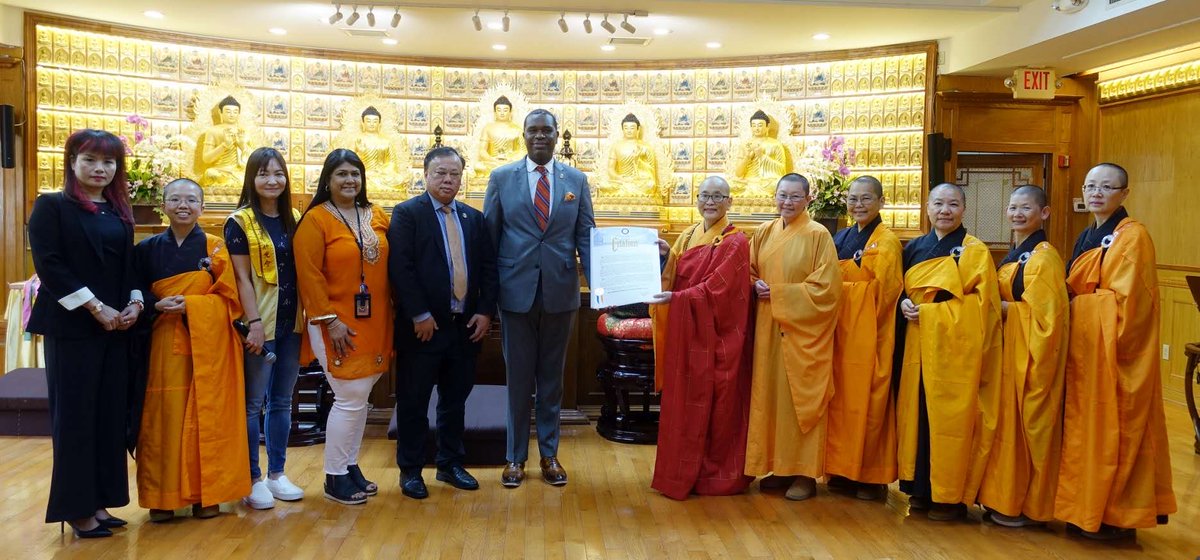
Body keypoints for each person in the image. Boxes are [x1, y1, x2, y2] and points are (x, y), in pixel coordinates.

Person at [27, 129, 144, 538]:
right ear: (72, 161)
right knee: (76, 418)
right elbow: (50, 266)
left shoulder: (118, 212)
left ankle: (99, 501)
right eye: (90, 160)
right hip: (73, 328)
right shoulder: (52, 206)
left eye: (108, 162)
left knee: (109, 416)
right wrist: (96, 307)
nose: (100, 169)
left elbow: (129, 267)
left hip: (116, 329)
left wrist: (134, 304)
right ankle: (75, 509)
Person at [1055, 163, 1176, 540]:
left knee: (1117, 434)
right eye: (1091, 186)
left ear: (1124, 194)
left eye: (1107, 187)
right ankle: (1083, 508)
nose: (1097, 193)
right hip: (1087, 352)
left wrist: (1077, 305)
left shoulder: (1133, 236)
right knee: (1084, 433)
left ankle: (1115, 517)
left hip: (1117, 355)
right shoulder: (1087, 235)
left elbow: (1130, 305)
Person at [484, 109, 595, 488]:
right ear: (524, 135)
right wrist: (487, 298)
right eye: (533, 130)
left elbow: (586, 236)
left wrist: (599, 287)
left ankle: (549, 455)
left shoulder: (576, 180)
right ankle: (515, 457)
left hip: (561, 294)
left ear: (557, 135)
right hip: (515, 294)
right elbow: (490, 239)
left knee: (552, 380)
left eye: (547, 130)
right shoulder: (501, 178)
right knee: (517, 379)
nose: (540, 136)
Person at [134, 178, 249, 522]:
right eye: (175, 199)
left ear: (202, 207)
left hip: (208, 347)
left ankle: (206, 495)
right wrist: (155, 304)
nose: (182, 205)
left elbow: (231, 299)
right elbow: (134, 291)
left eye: (190, 200)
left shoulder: (215, 248)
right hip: (162, 344)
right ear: (163, 205)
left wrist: (194, 305)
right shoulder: (146, 249)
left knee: (207, 416)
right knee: (163, 420)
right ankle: (162, 497)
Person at [388, 146, 499, 499]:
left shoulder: (473, 218)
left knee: (455, 400)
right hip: (423, 328)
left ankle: (450, 463)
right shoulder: (408, 214)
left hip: (464, 327)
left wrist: (485, 311)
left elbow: (489, 269)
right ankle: (411, 470)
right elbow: (401, 268)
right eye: (440, 173)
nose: (448, 180)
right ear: (425, 175)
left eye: (454, 174)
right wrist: (419, 314)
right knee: (414, 401)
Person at [896, 183, 1002, 522]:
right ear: (927, 207)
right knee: (918, 416)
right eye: (939, 203)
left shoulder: (974, 251)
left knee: (950, 421)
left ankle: (949, 497)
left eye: (953, 204)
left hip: (955, 352)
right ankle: (919, 489)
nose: (945, 210)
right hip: (917, 345)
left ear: (963, 209)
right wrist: (904, 304)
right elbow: (900, 289)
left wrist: (930, 314)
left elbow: (982, 307)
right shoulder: (915, 247)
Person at [294, 149, 394, 505]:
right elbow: (308, 275)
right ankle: (335, 476)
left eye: (355, 174)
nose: (350, 180)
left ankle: (350, 466)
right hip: (335, 323)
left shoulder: (375, 214)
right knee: (349, 397)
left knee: (359, 399)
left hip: (376, 321)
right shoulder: (316, 220)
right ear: (328, 179)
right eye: (342, 174)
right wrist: (329, 320)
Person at [648, 176, 753, 500]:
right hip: (687, 332)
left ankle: (711, 474)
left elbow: (718, 289)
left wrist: (678, 299)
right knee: (682, 403)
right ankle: (679, 471)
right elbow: (676, 272)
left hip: (717, 337)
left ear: (730, 202)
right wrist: (666, 255)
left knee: (716, 405)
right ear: (696, 199)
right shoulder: (689, 234)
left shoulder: (736, 241)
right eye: (705, 195)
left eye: (718, 196)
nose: (710, 202)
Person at [744, 173, 842, 501]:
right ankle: (779, 466)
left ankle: (804, 473)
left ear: (808, 199)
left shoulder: (818, 235)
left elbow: (827, 289)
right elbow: (748, 270)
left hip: (803, 333)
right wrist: (754, 283)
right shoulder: (764, 232)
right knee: (771, 399)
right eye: (782, 195)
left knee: (801, 401)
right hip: (767, 330)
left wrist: (779, 293)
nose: (787, 202)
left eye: (795, 196)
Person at [976, 185, 1068, 528]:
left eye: (1025, 208)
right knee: (1003, 430)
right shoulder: (1017, 253)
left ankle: (1030, 506)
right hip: (1009, 355)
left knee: (1029, 430)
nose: (1017, 213)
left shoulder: (1044, 257)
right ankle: (1004, 498)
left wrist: (1005, 310)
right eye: (1012, 207)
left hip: (1030, 360)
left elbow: (1047, 321)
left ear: (1044, 213)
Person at [225, 147, 305, 510]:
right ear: (251, 179)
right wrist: (254, 323)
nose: (272, 181)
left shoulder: (294, 218)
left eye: (278, 174)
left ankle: (277, 473)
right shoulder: (240, 221)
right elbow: (241, 277)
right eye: (263, 174)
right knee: (253, 403)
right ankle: (251, 477)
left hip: (292, 321)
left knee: (282, 400)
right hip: (260, 324)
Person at [824, 175, 903, 502]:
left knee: (870, 406)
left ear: (881, 202)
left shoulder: (887, 242)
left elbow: (885, 294)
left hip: (872, 335)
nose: (858, 205)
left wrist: (840, 291)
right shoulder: (841, 237)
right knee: (840, 405)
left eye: (866, 198)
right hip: (841, 335)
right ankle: (841, 470)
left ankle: (871, 477)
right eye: (853, 199)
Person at [195, 95, 253, 192]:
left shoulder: (243, 132)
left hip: (238, 172)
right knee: (210, 173)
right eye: (228, 111)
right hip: (219, 171)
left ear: (239, 114)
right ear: (220, 112)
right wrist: (224, 145)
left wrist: (243, 146)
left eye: (235, 112)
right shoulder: (212, 131)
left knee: (250, 177)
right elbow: (206, 159)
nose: (232, 114)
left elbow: (253, 161)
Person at [730, 110, 791, 197]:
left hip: (768, 182)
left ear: (767, 126)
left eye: (760, 125)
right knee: (729, 184)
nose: (757, 128)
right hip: (748, 181)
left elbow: (782, 170)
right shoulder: (745, 145)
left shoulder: (776, 144)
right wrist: (747, 158)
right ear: (751, 127)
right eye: (754, 125)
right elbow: (738, 174)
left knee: (778, 184)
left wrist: (762, 156)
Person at [350, 106, 409, 191]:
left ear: (379, 124)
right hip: (364, 174)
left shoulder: (386, 142)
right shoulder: (357, 140)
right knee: (357, 179)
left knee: (399, 179)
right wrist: (360, 154)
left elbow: (392, 163)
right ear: (363, 123)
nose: (372, 124)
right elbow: (350, 163)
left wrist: (381, 171)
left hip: (381, 175)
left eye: (375, 121)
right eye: (368, 121)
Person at [604, 113, 659, 197]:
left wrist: (639, 162)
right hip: (621, 182)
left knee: (650, 184)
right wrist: (619, 178)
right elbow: (610, 169)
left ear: (638, 129)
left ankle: (627, 191)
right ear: (622, 129)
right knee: (604, 185)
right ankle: (629, 191)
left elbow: (651, 172)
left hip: (638, 182)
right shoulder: (615, 146)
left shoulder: (645, 147)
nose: (629, 130)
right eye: (626, 128)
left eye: (632, 128)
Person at [474, 96, 522, 180]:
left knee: (518, 167)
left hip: (510, 162)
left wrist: (511, 159)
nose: (502, 113)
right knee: (479, 166)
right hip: (492, 163)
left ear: (510, 112)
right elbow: (482, 151)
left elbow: (522, 151)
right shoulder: (487, 128)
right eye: (499, 110)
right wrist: (492, 159)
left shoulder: (517, 129)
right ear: (495, 112)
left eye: (505, 110)